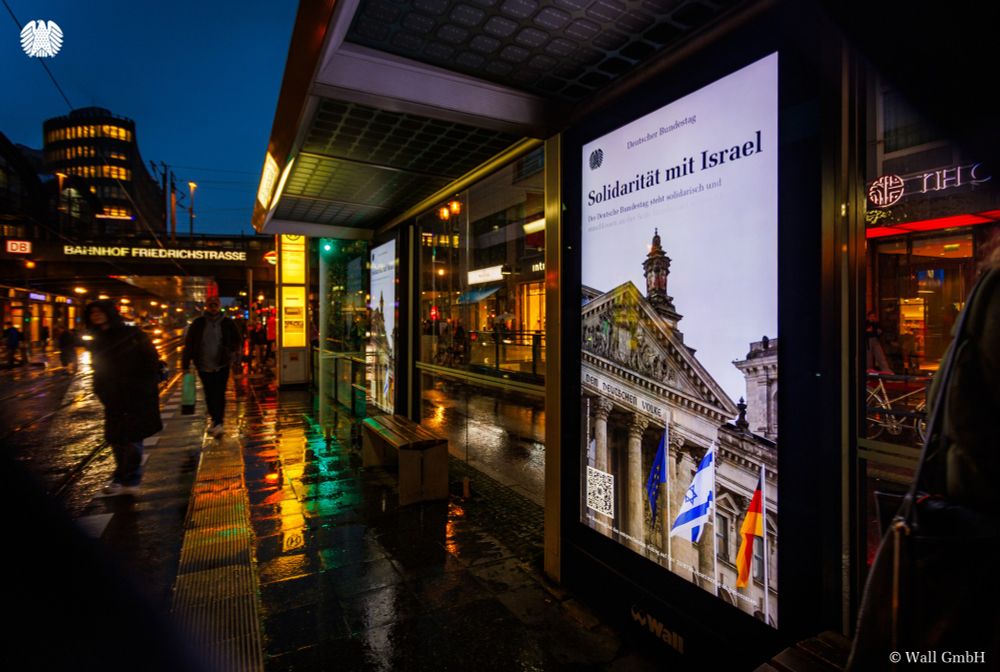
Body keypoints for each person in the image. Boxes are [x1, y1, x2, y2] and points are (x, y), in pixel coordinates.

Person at [84, 300, 163, 495]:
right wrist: (100, 389)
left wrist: (145, 386)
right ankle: (124, 477)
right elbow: (97, 368)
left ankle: (128, 478)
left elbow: (151, 360)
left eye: (100, 311)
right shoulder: (96, 339)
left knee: (133, 438)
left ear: (110, 313)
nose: (96, 315)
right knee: (116, 438)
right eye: (93, 312)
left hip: (136, 393)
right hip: (112, 394)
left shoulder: (132, 334)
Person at [182, 297, 240, 437]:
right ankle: (215, 420)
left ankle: (218, 422)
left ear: (219, 306)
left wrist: (230, 352)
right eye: (210, 305)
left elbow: (237, 339)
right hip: (203, 364)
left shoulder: (227, 323)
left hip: (222, 364)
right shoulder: (198, 323)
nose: (213, 307)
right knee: (209, 393)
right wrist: (185, 363)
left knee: (219, 393)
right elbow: (189, 343)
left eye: (215, 304)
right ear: (206, 306)